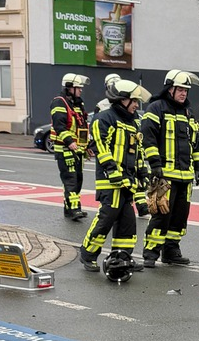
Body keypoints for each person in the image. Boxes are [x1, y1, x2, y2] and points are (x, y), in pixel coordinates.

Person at [80, 79, 152, 272]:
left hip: (127, 181)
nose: (137, 105)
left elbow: (136, 152)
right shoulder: (104, 118)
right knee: (107, 217)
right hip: (110, 181)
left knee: (127, 222)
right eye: (134, 101)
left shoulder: (133, 122)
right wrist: (113, 171)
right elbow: (100, 147)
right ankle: (88, 254)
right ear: (122, 100)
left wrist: (142, 172)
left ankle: (122, 257)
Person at [140, 70, 199, 266]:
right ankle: (150, 253)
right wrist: (155, 165)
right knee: (161, 215)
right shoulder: (156, 108)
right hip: (165, 176)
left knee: (179, 217)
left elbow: (197, 143)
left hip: (185, 177)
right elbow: (148, 138)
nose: (184, 93)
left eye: (186, 90)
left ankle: (171, 251)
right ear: (170, 89)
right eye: (180, 89)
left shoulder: (188, 113)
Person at [50, 73, 90, 221]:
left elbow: (82, 126)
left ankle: (71, 208)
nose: (80, 90)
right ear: (69, 88)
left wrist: (86, 146)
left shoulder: (78, 104)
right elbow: (59, 126)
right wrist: (69, 141)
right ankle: (74, 210)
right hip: (65, 149)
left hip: (77, 150)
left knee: (78, 179)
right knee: (70, 180)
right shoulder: (59, 103)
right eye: (78, 88)